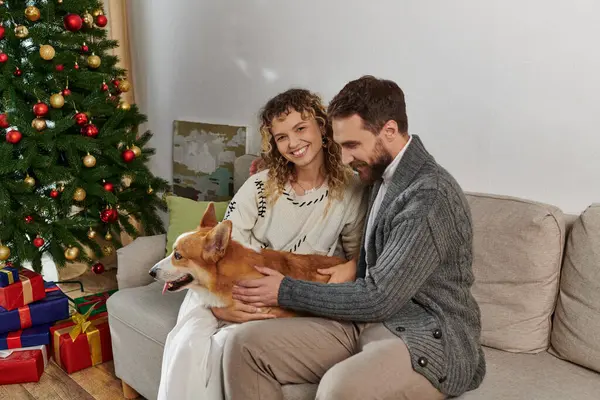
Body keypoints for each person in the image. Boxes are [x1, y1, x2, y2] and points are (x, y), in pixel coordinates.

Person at [224, 76, 487, 400]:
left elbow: (380, 296)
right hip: (366, 320)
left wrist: (285, 290)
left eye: (351, 146)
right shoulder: (381, 176)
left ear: (389, 131)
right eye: (341, 144)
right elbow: (381, 260)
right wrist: (355, 266)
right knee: (244, 345)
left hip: (429, 334)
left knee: (339, 388)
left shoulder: (429, 196)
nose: (345, 158)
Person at [157, 88, 368, 400]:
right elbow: (217, 250)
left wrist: (352, 265)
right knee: (194, 344)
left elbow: (359, 253)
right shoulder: (260, 185)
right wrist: (222, 310)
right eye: (281, 137)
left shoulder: (351, 189)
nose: (293, 143)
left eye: (300, 129)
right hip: (226, 287)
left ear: (322, 127)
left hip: (293, 291)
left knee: (230, 348)